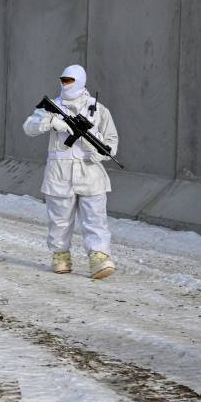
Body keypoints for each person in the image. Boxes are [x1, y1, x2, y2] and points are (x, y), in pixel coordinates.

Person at [23, 64, 119, 280]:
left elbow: (111, 139)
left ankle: (99, 256)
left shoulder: (98, 109)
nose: (65, 84)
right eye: (63, 80)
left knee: (95, 218)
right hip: (60, 173)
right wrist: (50, 121)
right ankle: (61, 255)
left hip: (90, 171)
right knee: (60, 219)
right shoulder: (52, 107)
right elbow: (29, 127)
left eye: (69, 80)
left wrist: (101, 152)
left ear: (81, 81)